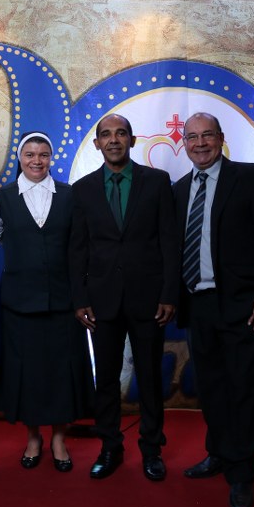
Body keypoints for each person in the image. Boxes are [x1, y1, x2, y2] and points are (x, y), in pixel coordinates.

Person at [173, 112, 254, 507]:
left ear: (221, 138)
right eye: (192, 137)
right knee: (211, 388)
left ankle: (241, 474)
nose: (200, 143)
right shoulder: (179, 189)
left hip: (241, 305)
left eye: (207, 135)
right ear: (183, 143)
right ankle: (219, 452)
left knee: (241, 388)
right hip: (197, 304)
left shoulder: (250, 177)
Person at [69, 114, 178, 481]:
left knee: (149, 378)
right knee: (106, 380)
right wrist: (80, 298)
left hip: (150, 300)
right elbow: (77, 250)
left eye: (120, 133)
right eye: (106, 134)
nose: (113, 139)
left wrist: (169, 293)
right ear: (97, 144)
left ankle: (152, 450)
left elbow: (170, 242)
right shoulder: (82, 189)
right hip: (102, 302)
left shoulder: (157, 182)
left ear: (132, 140)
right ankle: (110, 447)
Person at [0, 132, 94, 473]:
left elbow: (79, 248)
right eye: (30, 154)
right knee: (28, 375)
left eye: (43, 154)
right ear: (20, 158)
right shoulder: (1, 198)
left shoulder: (70, 195)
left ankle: (59, 439)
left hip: (64, 302)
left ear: (51, 157)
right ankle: (33, 437)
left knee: (62, 373)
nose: (37, 160)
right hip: (19, 303)